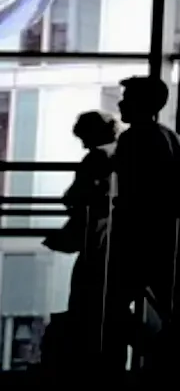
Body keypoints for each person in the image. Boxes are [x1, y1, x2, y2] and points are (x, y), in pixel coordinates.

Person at [110, 76, 180, 351]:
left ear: (141, 102)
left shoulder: (134, 138)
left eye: (127, 98)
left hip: (143, 240)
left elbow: (135, 195)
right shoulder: (171, 138)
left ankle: (154, 352)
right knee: (176, 307)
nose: (121, 102)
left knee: (111, 304)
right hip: (173, 239)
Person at [43, 111, 119, 362]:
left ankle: (87, 362)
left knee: (85, 301)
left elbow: (74, 196)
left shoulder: (97, 157)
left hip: (95, 241)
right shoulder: (121, 153)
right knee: (109, 308)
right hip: (113, 239)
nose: (82, 142)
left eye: (83, 136)